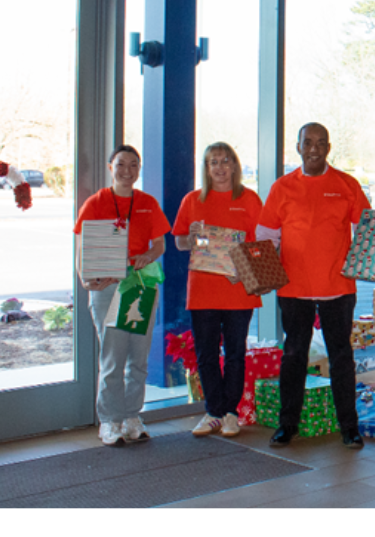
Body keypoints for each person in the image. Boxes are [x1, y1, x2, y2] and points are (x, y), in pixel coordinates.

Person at [256, 123, 370, 449]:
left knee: (341, 356)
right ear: (298, 147)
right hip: (294, 288)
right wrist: (262, 274)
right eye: (308, 142)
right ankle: (287, 424)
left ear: (329, 148)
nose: (314, 148)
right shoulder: (282, 187)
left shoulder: (346, 185)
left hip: (338, 285)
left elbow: (368, 230)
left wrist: (371, 264)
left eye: (321, 143)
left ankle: (349, 426)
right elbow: (266, 237)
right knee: (294, 355)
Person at [73, 145, 171, 447]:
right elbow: (81, 247)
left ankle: (131, 416)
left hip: (141, 284)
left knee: (138, 356)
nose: (127, 171)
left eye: (133, 165)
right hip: (108, 286)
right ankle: (109, 421)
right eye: (121, 164)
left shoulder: (147, 203)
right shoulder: (95, 203)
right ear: (109, 166)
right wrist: (85, 278)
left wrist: (147, 256)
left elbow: (160, 245)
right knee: (113, 357)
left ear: (139, 169)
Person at [172, 142, 264, 438]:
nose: (221, 167)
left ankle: (231, 413)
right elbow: (180, 243)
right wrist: (193, 237)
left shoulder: (249, 199)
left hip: (239, 291)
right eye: (214, 162)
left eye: (226, 161)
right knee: (206, 354)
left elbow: (261, 245)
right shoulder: (192, 200)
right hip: (203, 290)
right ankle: (213, 411)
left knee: (236, 354)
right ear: (206, 167)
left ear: (235, 166)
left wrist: (245, 268)